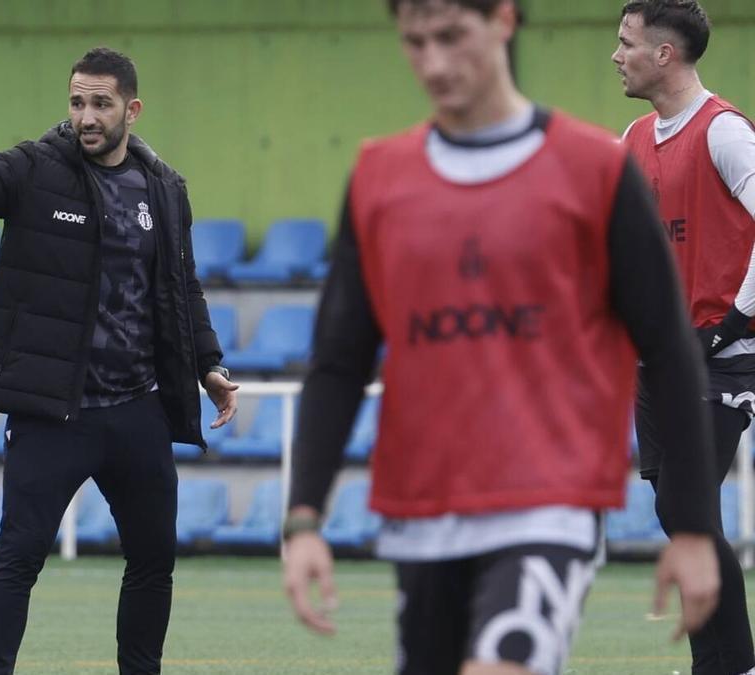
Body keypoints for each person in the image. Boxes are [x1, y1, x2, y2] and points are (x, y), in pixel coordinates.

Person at [281, 1, 721, 673]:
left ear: (504, 23)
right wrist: (305, 514)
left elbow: (666, 345)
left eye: (452, 37)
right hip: (422, 510)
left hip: (546, 505)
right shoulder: (379, 178)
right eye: (415, 42)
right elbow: (338, 362)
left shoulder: (595, 171)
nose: (433, 62)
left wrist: (691, 526)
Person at [0, 47, 238, 674]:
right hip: (54, 410)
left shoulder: (165, 189)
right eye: (78, 101)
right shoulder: (36, 169)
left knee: (152, 561)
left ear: (131, 110)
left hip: (138, 408)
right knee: (20, 557)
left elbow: (181, 286)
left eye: (101, 103)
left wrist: (209, 364)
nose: (86, 115)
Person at [614, 2, 755, 673]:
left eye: (625, 42)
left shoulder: (725, 132)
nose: (615, 55)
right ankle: (722, 663)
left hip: (723, 355)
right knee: (684, 516)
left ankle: (732, 663)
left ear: (664, 54)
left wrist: (734, 321)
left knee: (684, 505)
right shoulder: (634, 137)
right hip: (660, 355)